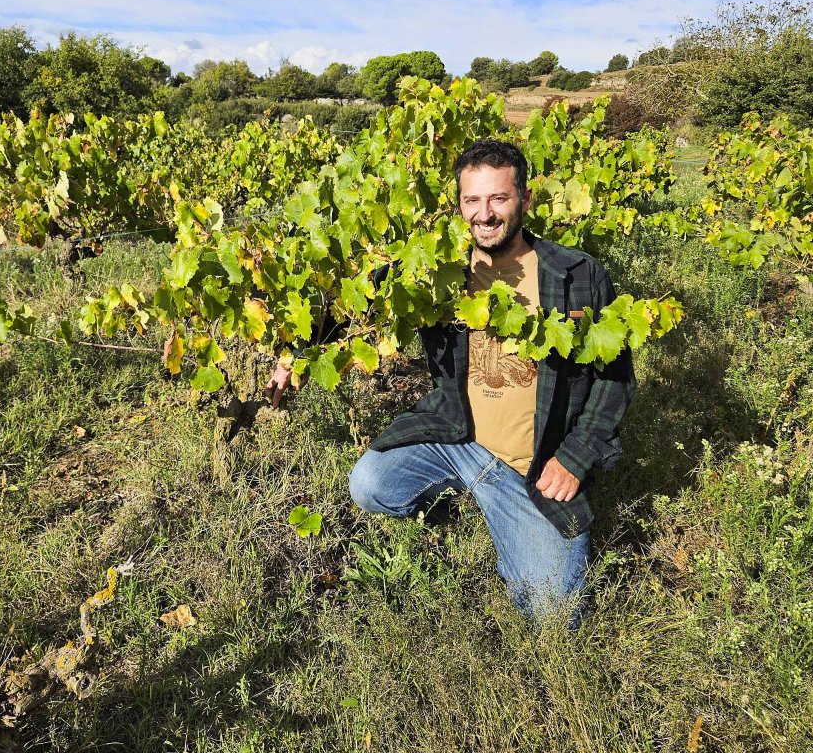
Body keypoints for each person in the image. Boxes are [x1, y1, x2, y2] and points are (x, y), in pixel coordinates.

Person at [265, 138, 635, 628]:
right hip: (456, 436)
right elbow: (353, 304)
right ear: (460, 205)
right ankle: (459, 496)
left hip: (535, 463)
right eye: (472, 200)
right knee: (371, 484)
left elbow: (614, 378)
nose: (485, 214)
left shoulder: (578, 274)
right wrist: (294, 356)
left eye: (499, 199)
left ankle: (510, 512)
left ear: (525, 200)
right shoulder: (434, 268)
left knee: (556, 617)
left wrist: (575, 458)